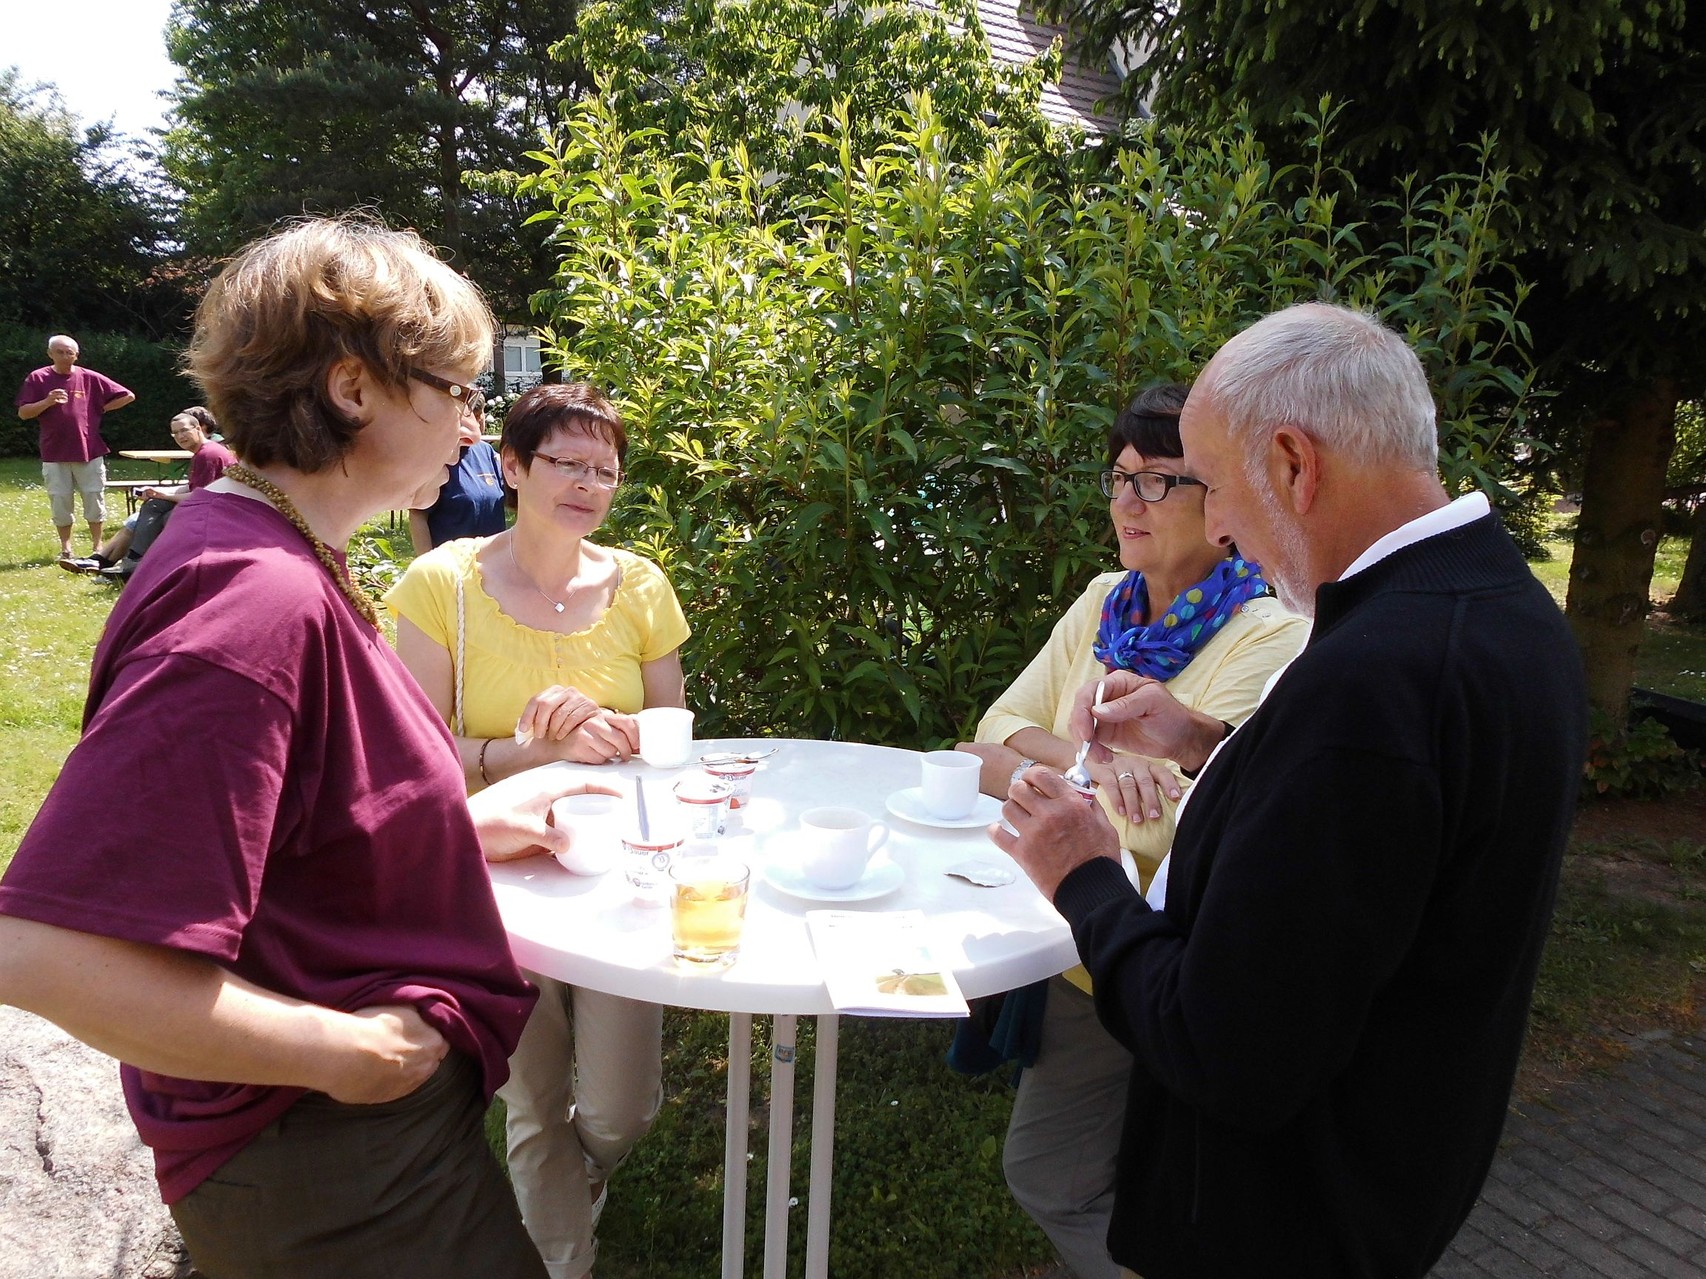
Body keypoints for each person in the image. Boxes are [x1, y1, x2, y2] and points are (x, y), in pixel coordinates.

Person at [0, 218, 621, 1279]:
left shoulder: (270, 550)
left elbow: (289, 824)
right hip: (325, 1159)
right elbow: (50, 949)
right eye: (459, 391)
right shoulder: (254, 596)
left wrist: (454, 830)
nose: (472, 430)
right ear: (353, 388)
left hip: (347, 1150)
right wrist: (360, 1054)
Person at [994, 302, 1588, 1279]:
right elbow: (1372, 843)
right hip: (1391, 1186)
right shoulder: (1506, 616)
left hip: (1277, 1226)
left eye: (1214, 487)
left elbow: (1218, 1047)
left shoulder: (1370, 682)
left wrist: (1085, 878)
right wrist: (1205, 740)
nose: (1217, 525)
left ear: (1291, 464)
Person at [955, 384, 1306, 1279]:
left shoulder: (1268, 634)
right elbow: (989, 731)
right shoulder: (1105, 602)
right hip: (1071, 936)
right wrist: (1103, 766)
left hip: (1149, 946)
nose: (1126, 502)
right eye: (1119, 478)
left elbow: (1187, 824)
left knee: (1053, 1176)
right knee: (1102, 1179)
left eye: (1158, 481)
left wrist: (1058, 773)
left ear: (1221, 502)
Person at [388, 381, 689, 1279]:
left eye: (605, 469)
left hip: (621, 874)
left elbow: (674, 735)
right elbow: (417, 751)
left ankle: (576, 1172)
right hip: (500, 878)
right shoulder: (443, 583)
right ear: (512, 466)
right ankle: (565, 1261)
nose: (588, 483)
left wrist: (624, 730)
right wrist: (526, 749)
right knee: (531, 1100)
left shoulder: (638, 584)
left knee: (620, 1108)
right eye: (566, 461)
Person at [62, 407, 235, 576]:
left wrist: (164, 495)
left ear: (198, 428)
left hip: (218, 511)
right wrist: (159, 492)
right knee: (152, 507)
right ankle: (118, 562)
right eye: (175, 433)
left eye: (184, 431)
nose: (180, 436)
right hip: (213, 504)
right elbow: (195, 488)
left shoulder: (208, 455)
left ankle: (129, 563)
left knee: (156, 512)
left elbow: (199, 497)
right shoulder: (204, 451)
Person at [14, 333, 135, 562]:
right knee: (60, 500)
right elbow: (23, 413)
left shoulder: (88, 377)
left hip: (89, 450)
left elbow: (127, 395)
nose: (65, 356)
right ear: (50, 354)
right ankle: (66, 547)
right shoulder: (38, 378)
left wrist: (100, 408)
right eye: (60, 351)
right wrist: (47, 401)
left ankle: (98, 546)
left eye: (70, 352)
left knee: (94, 498)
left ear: (76, 355)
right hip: (54, 452)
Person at [410, 386, 508, 551]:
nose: (477, 422)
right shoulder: (439, 455)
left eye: (479, 415)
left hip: (492, 562)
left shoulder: (486, 451)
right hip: (451, 566)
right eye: (472, 416)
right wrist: (426, 562)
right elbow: (418, 515)